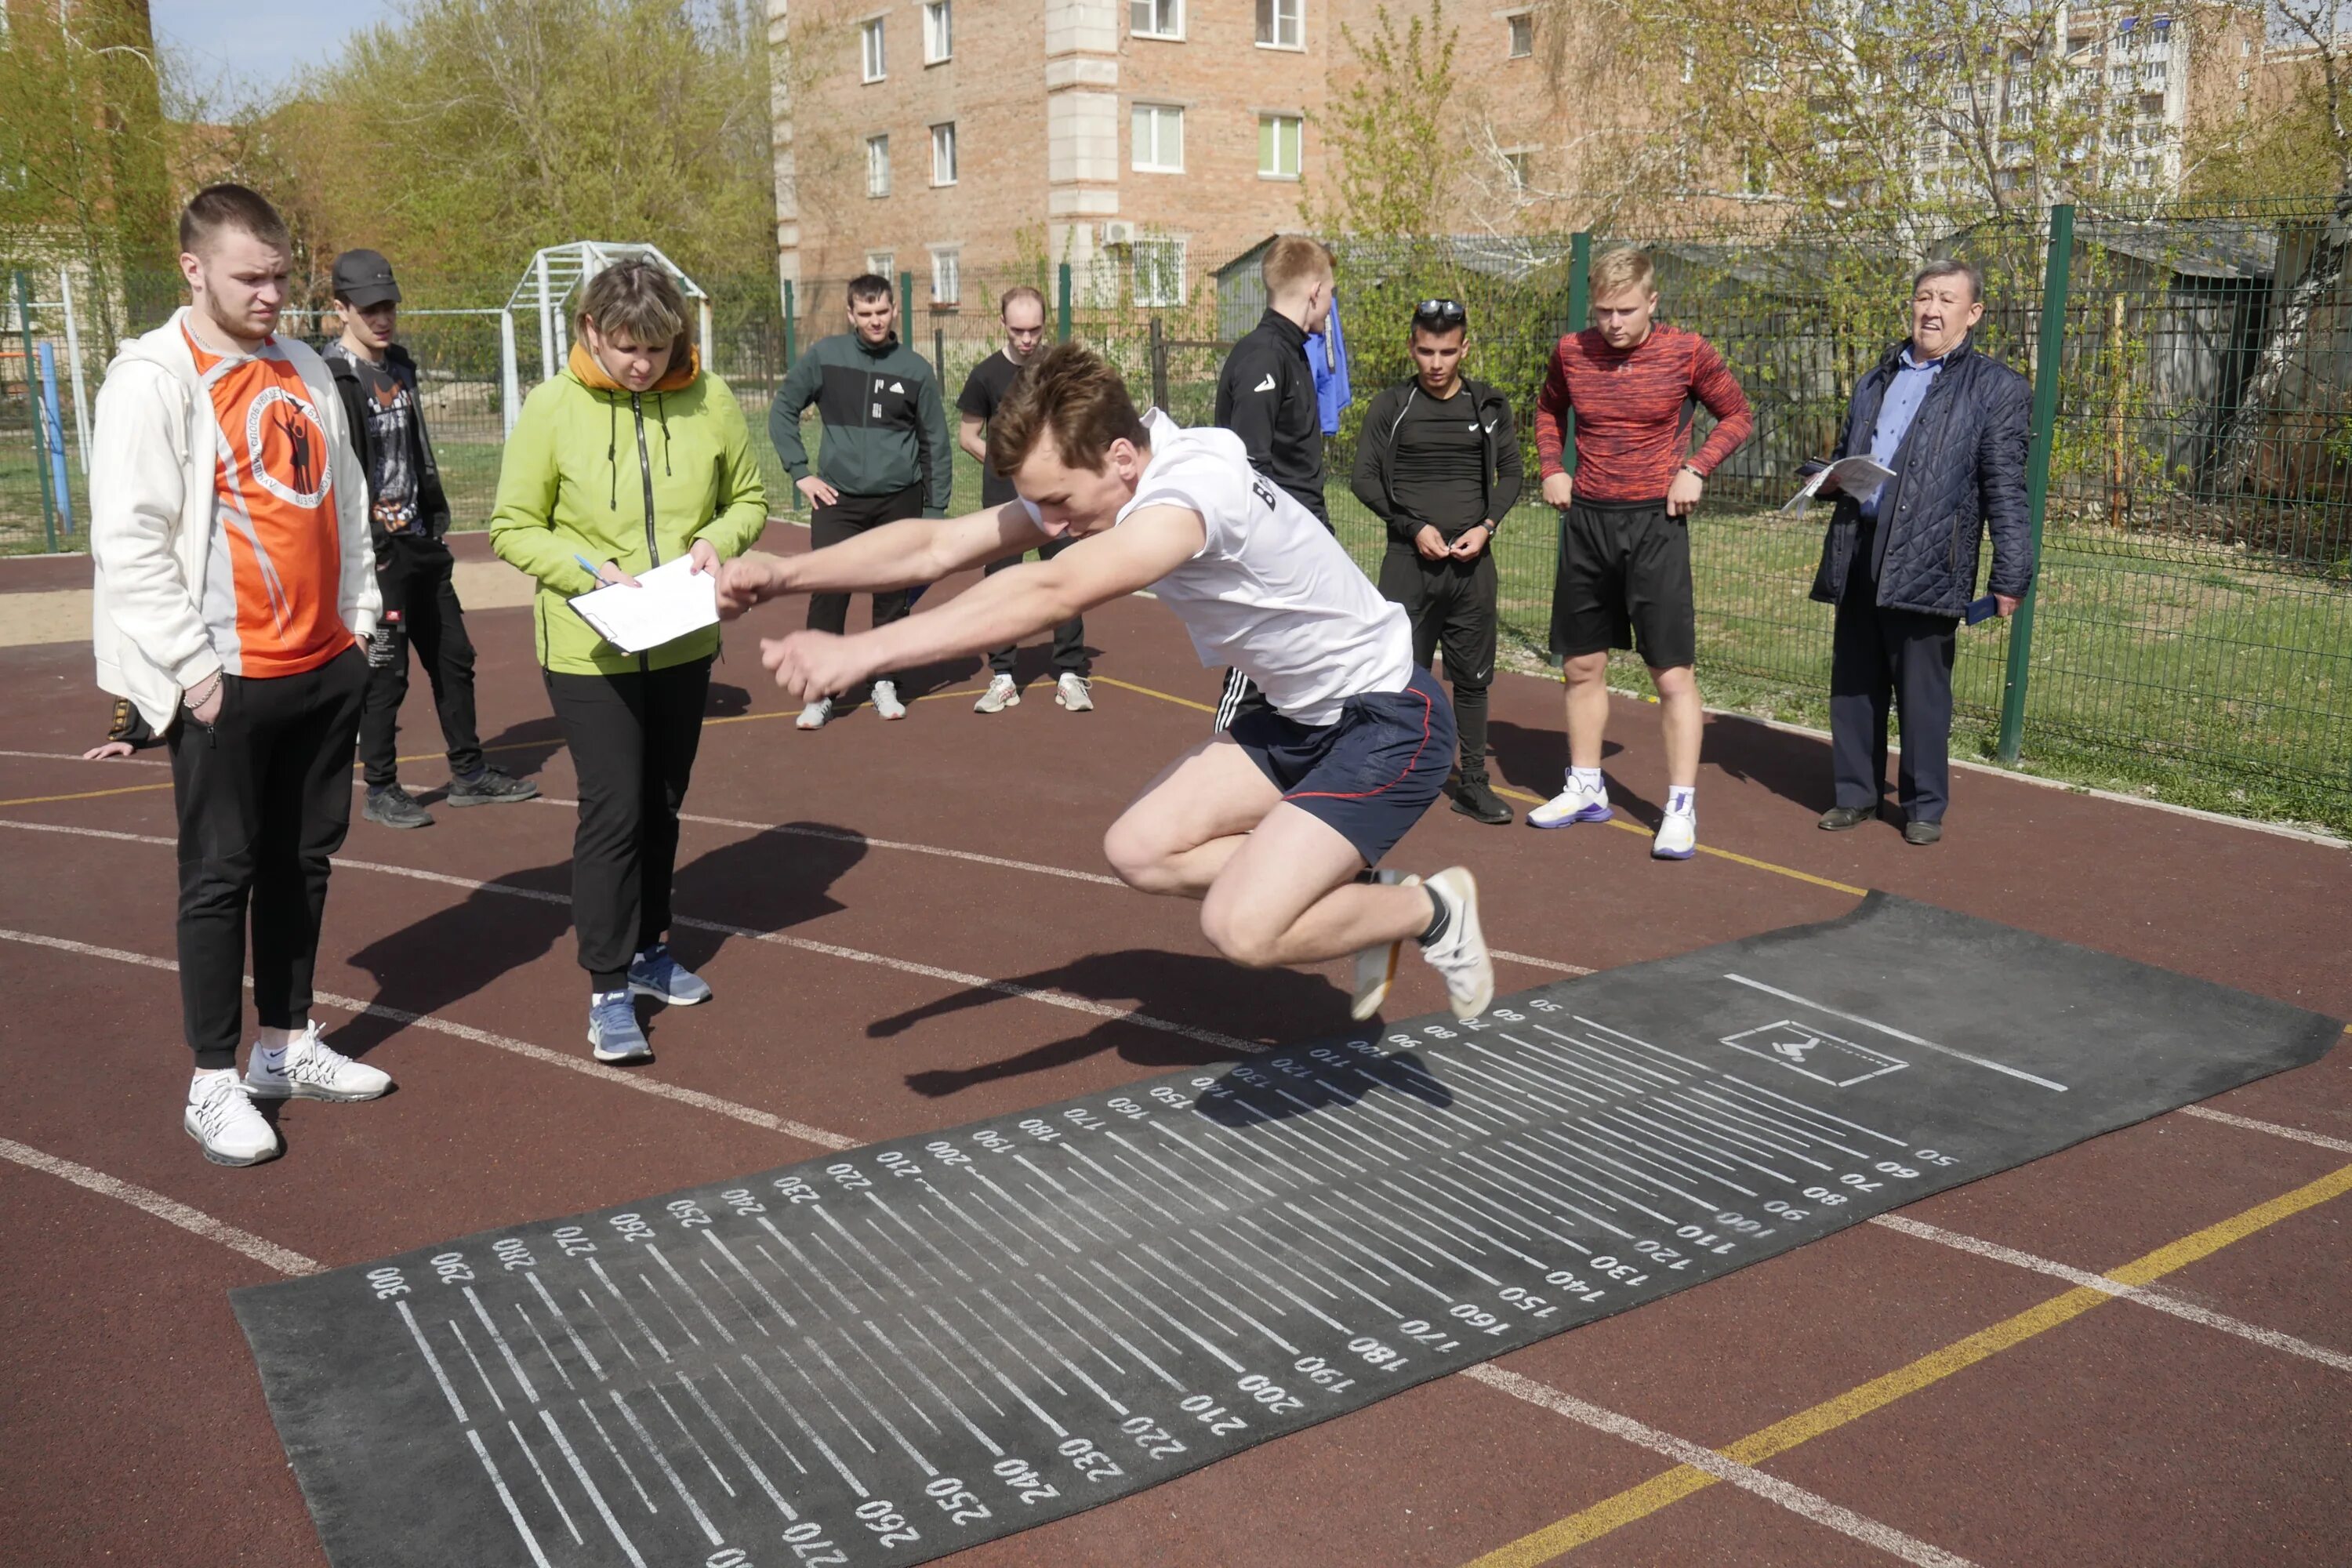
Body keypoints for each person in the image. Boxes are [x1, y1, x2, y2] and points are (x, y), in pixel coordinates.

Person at [719, 343, 1494, 1023]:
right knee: (1141, 848)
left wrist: (864, 654)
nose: (1049, 522)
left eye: (1058, 501)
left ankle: (1431, 909)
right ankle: (1356, 888)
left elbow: (1048, 593)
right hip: (1300, 716)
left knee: (1242, 928)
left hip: (1387, 719)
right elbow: (937, 544)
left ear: (1122, 459)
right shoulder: (1114, 467)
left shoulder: (1187, 501)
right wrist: (787, 573)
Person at [89, 183, 388, 1167]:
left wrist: (358, 619)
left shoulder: (302, 362)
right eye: (248, 277)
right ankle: (212, 1079)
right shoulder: (152, 377)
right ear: (193, 267)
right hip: (226, 675)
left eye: (280, 275)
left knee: (304, 862)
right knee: (219, 875)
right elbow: (130, 542)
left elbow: (342, 494)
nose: (270, 294)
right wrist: (193, 670)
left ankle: (286, 1043)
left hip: (323, 665)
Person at [488, 260, 768, 1063]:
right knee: (613, 809)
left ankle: (649, 949)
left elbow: (748, 497)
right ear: (590, 332)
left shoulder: (710, 398)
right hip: (590, 647)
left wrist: (719, 540)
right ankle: (608, 984)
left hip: (681, 637)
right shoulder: (552, 407)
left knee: (664, 801)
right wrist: (587, 570)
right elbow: (513, 525)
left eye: (655, 346)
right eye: (625, 347)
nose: (642, 364)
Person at [1529, 246, 1752, 859]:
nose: (1615, 323)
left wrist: (1697, 468)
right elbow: (1548, 409)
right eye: (1603, 311)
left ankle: (1680, 804)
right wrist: (1553, 467)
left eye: (1626, 310)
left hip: (1656, 523)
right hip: (1588, 522)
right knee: (1581, 666)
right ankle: (1584, 784)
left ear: (1652, 301)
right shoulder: (1572, 351)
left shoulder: (1687, 351)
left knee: (1671, 673)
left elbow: (1737, 415)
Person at [1811, 260, 2031, 845]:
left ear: (1973, 314)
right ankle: (1855, 795)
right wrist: (1824, 477)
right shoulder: (1876, 377)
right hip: (1859, 541)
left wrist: (2012, 573)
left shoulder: (1997, 388)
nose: (1931, 310)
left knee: (1922, 689)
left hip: (1932, 554)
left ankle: (1924, 806)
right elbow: (1844, 453)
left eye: (1946, 300)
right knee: (1854, 681)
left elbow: (2005, 486)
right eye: (1923, 297)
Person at [322, 248, 537, 829]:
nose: (382, 317)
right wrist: (363, 537)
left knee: (455, 659)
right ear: (340, 309)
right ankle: (382, 787)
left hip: (421, 542)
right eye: (368, 308)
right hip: (374, 555)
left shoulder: (402, 367)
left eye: (389, 305)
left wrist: (432, 521)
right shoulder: (331, 379)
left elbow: (414, 452)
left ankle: (469, 774)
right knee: (386, 672)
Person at [1352, 298, 1523, 826]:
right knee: (1403, 675)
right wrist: (1412, 527)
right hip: (1409, 564)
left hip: (1472, 569)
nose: (1436, 363)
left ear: (1464, 348)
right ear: (1412, 347)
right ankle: (1397, 775)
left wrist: (1486, 527)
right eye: (1426, 351)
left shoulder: (1488, 405)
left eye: (1447, 351)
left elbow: (1513, 475)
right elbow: (1363, 479)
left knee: (1472, 681)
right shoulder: (1391, 405)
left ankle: (1472, 783)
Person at [768, 273, 952, 729]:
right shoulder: (826, 357)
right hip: (838, 501)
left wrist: (934, 511)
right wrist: (801, 473)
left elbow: (935, 442)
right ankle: (821, 689)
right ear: (851, 314)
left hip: (899, 501)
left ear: (894, 312)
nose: (875, 320)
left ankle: (883, 679)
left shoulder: (915, 369)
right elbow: (783, 409)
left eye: (882, 312)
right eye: (865, 313)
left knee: (892, 596)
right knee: (828, 592)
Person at [1211, 234, 1337, 731]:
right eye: (1331, 291)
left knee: (1307, 663)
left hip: (1307, 533)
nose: (1331, 302)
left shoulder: (1294, 351)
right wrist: (1279, 546)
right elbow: (1249, 468)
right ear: (1314, 290)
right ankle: (1221, 751)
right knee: (1255, 665)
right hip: (1278, 548)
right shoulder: (1264, 355)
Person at [959, 285, 1091, 715]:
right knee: (1001, 583)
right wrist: (1009, 465)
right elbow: (967, 436)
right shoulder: (984, 375)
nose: (1027, 339)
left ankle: (1071, 673)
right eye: (1018, 330)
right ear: (1002, 324)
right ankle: (1003, 676)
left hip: (1056, 497)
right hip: (1004, 500)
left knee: (1067, 577)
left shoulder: (1059, 369)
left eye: (1034, 329)